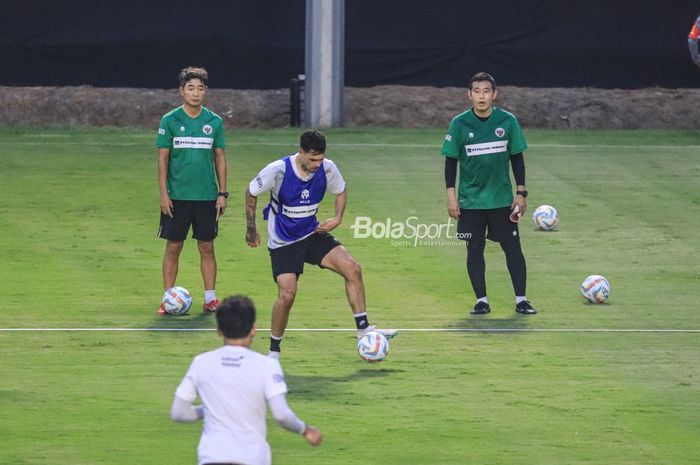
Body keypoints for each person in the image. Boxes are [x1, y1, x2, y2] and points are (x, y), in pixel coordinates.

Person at [245, 129, 397, 357]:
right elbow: (251, 191)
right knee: (287, 296)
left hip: (312, 233)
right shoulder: (278, 170)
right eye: (313, 159)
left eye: (320, 158)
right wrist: (251, 228)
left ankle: (364, 330)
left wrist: (337, 218)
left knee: (353, 268)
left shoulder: (327, 167)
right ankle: (273, 352)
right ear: (301, 153)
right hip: (284, 240)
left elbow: (341, 191)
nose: (317, 164)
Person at [171, 295, 322, 465]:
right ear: (253, 329)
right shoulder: (266, 365)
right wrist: (305, 429)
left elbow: (178, 413)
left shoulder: (201, 362)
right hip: (252, 458)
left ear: (219, 330)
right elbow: (281, 415)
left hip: (211, 457)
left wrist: (206, 409)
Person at [441, 72, 537, 316]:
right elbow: (450, 162)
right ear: (469, 95)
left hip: (502, 201)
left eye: (486, 91)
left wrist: (521, 192)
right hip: (470, 202)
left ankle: (522, 300)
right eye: (476, 91)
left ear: (494, 95)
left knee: (513, 248)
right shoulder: (459, 124)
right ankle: (481, 301)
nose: (481, 96)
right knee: (474, 249)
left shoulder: (507, 121)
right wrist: (451, 195)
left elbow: (517, 157)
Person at [155, 66, 228, 315]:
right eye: (190, 88)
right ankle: (168, 298)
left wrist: (222, 193)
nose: (195, 93)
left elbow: (220, 158)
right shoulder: (170, 121)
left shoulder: (214, 122)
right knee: (173, 247)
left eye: (200, 88)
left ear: (205, 91)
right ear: (181, 91)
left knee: (206, 246)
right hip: (177, 197)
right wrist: (164, 194)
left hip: (207, 196)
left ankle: (210, 298)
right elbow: (163, 160)